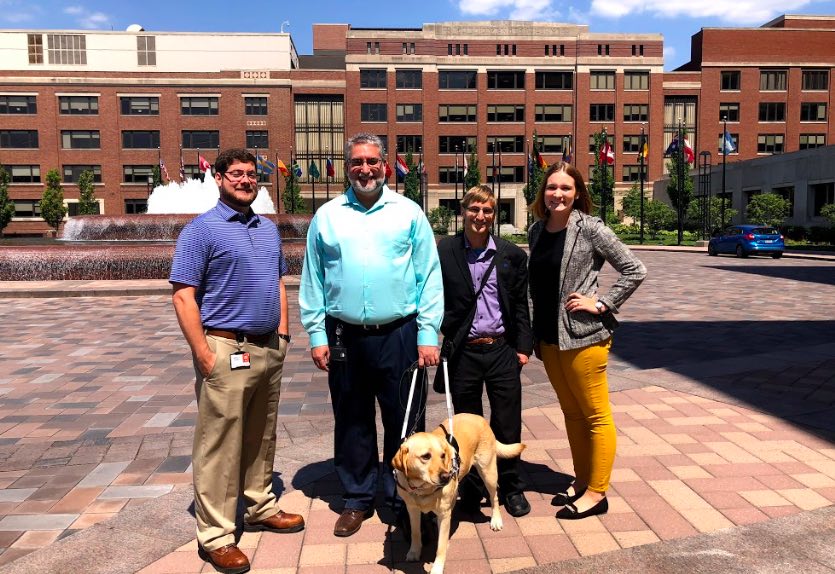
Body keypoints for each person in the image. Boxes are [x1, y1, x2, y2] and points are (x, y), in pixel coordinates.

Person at [299, 133, 444, 537]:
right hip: (344, 335)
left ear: (385, 164)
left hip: (400, 334)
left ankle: (403, 498)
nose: (366, 168)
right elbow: (313, 279)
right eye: (357, 162)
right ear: (348, 167)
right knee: (352, 419)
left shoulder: (408, 213)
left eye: (373, 161)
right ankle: (358, 498)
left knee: (406, 421)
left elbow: (429, 276)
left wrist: (428, 333)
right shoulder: (326, 217)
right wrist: (316, 334)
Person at [170, 148, 304, 574]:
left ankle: (260, 505)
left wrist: (283, 334)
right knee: (219, 445)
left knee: (261, 435)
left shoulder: (266, 230)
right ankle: (215, 535)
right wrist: (204, 354)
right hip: (225, 349)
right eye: (236, 175)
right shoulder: (200, 232)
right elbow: (183, 295)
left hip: (267, 347)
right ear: (219, 179)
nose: (245, 181)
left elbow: (278, 281)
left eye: (250, 175)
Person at [527, 161, 646, 520]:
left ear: (577, 192)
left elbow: (635, 268)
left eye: (565, 188)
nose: (558, 194)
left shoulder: (590, 227)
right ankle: (581, 480)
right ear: (543, 192)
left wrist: (603, 302)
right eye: (552, 187)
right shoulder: (537, 229)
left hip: (584, 336)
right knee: (572, 413)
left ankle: (598, 491)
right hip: (548, 337)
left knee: (595, 415)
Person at [436, 185, 533, 518]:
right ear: (464, 211)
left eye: (487, 210)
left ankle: (511, 486)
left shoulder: (511, 255)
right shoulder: (445, 251)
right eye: (474, 209)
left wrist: (523, 348)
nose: (480, 216)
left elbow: (520, 304)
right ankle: (472, 487)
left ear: (494, 214)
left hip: (501, 349)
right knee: (467, 425)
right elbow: (434, 295)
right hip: (464, 351)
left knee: (507, 421)